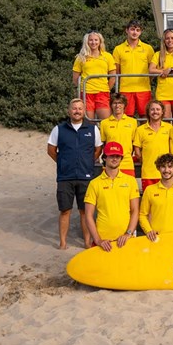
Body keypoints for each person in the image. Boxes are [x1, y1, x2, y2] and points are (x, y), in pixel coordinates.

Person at [47, 98, 103, 249]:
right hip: (65, 177)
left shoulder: (93, 129)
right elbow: (51, 149)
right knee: (65, 210)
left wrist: (88, 162)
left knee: (85, 211)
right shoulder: (59, 129)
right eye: (74, 108)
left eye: (80, 108)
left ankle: (86, 242)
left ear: (84, 111)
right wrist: (63, 162)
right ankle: (63, 243)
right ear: (69, 111)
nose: (77, 111)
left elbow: (98, 149)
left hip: (86, 177)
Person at [83, 141, 140, 252]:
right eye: (111, 156)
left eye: (117, 156)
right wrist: (98, 240)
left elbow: (135, 210)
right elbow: (88, 215)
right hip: (103, 241)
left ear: (121, 158)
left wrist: (128, 234)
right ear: (104, 158)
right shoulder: (94, 183)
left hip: (126, 240)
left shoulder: (130, 181)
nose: (115, 159)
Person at [112, 19, 155, 117]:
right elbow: (117, 71)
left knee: (145, 116)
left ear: (141, 32)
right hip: (125, 89)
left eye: (138, 30)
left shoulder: (148, 48)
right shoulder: (118, 49)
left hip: (144, 88)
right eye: (132, 29)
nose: (135, 32)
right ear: (127, 30)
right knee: (126, 117)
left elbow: (151, 70)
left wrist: (146, 81)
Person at [72, 31, 115, 120]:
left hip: (102, 92)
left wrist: (106, 88)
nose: (93, 42)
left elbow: (113, 76)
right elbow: (75, 78)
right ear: (87, 42)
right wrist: (83, 88)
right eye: (91, 40)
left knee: (106, 121)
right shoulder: (81, 57)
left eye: (96, 40)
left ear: (100, 41)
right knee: (89, 122)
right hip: (86, 93)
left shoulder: (107, 56)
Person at [149, 28, 173, 121]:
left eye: (172, 38)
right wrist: (163, 72)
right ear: (164, 40)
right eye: (167, 38)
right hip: (163, 93)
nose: (170, 40)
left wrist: (171, 70)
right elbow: (151, 69)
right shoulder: (158, 54)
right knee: (165, 121)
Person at [132, 100, 173, 192]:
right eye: (152, 109)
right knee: (148, 200)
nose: (155, 112)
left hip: (166, 172)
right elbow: (137, 150)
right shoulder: (140, 130)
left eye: (158, 109)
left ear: (162, 112)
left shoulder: (169, 128)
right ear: (148, 112)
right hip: (148, 173)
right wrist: (146, 160)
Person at [99, 93, 138, 176]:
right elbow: (103, 144)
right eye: (115, 103)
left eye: (120, 103)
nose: (117, 106)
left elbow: (134, 143)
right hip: (110, 164)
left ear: (124, 105)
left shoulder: (133, 122)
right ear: (111, 105)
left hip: (127, 163)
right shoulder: (104, 123)